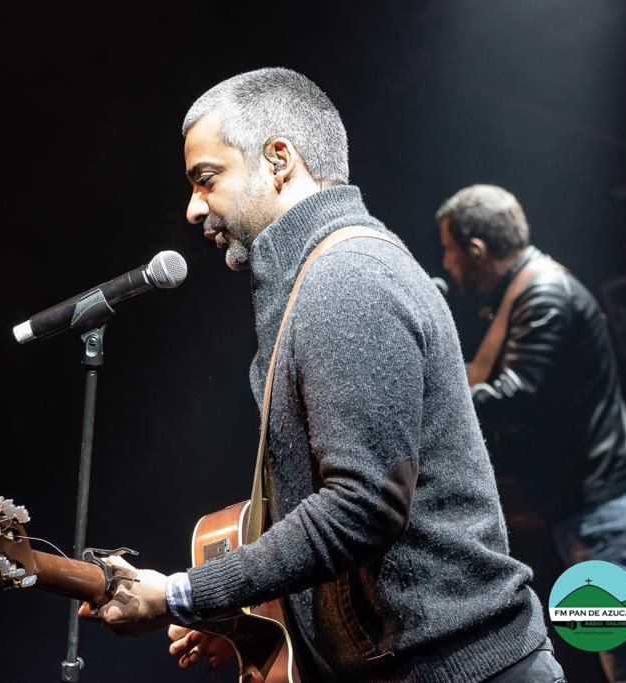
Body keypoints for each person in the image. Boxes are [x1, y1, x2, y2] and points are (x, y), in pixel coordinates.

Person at [83, 68, 563, 682]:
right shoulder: (318, 279)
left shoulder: (346, 280)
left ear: (278, 160)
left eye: (207, 178)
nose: (194, 207)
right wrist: (251, 620)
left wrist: (184, 594)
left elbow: (361, 509)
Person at [436, 183, 626, 683]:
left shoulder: (543, 294)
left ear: (477, 249)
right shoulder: (532, 287)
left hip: (601, 507)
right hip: (601, 505)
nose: (445, 262)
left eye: (448, 248)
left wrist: (438, 392)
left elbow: (517, 394)